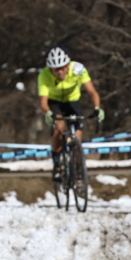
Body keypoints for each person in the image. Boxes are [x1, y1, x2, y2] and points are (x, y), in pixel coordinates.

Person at [37, 45, 104, 181]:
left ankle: (78, 168)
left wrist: (97, 108)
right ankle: (57, 164)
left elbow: (92, 92)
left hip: (72, 101)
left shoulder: (78, 69)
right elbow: (43, 102)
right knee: (59, 127)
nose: (60, 72)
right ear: (51, 69)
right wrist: (48, 113)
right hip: (54, 102)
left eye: (62, 68)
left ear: (68, 65)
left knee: (78, 136)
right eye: (56, 69)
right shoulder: (44, 75)